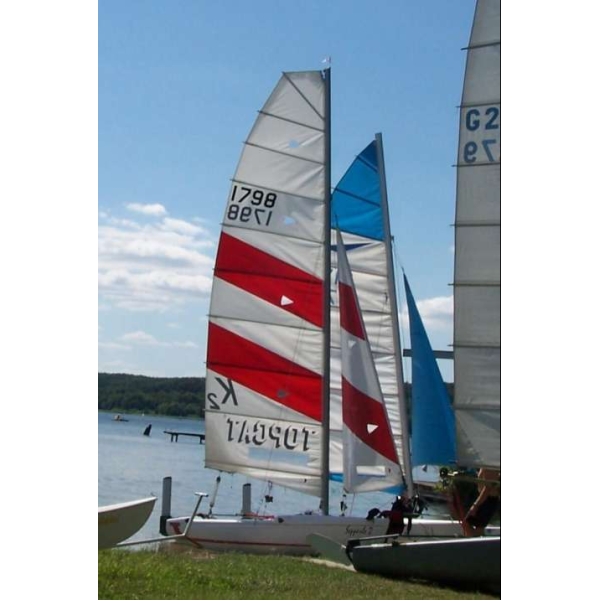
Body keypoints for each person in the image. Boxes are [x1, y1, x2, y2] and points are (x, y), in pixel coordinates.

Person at [462, 468, 500, 536]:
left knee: (468, 524)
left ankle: (477, 540)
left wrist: (475, 506)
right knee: (472, 526)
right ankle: (477, 539)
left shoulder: (490, 466)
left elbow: (488, 487)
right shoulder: (485, 465)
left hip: (487, 500)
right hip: (484, 499)